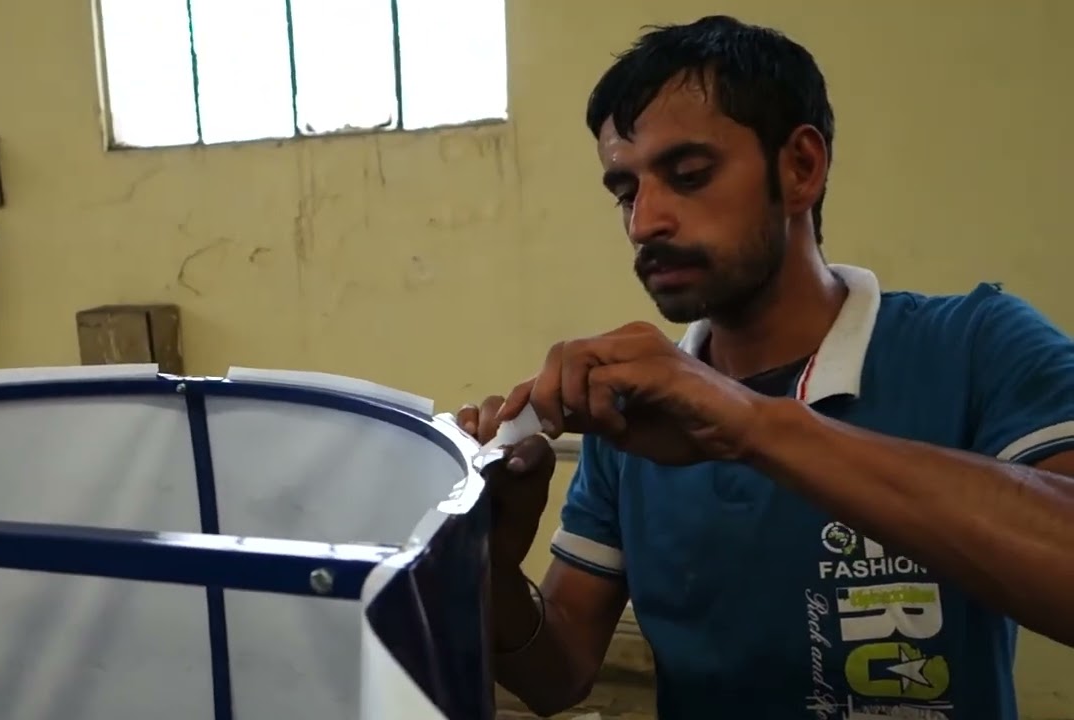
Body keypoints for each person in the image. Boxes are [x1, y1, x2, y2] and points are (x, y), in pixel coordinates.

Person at [457, 14, 1074, 720]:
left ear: (801, 167)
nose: (644, 221)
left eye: (688, 176)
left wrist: (750, 424)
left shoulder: (977, 345)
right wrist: (489, 567)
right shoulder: (629, 421)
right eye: (625, 192)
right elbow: (558, 674)